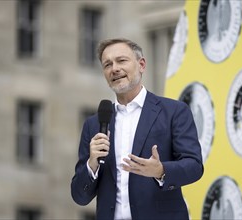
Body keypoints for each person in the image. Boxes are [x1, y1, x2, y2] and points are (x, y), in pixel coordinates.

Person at [71, 38, 204, 220]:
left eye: (121, 60)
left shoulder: (173, 111)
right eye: (107, 64)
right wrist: (92, 164)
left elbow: (194, 167)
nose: (114, 68)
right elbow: (80, 196)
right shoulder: (94, 124)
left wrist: (160, 170)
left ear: (141, 65)